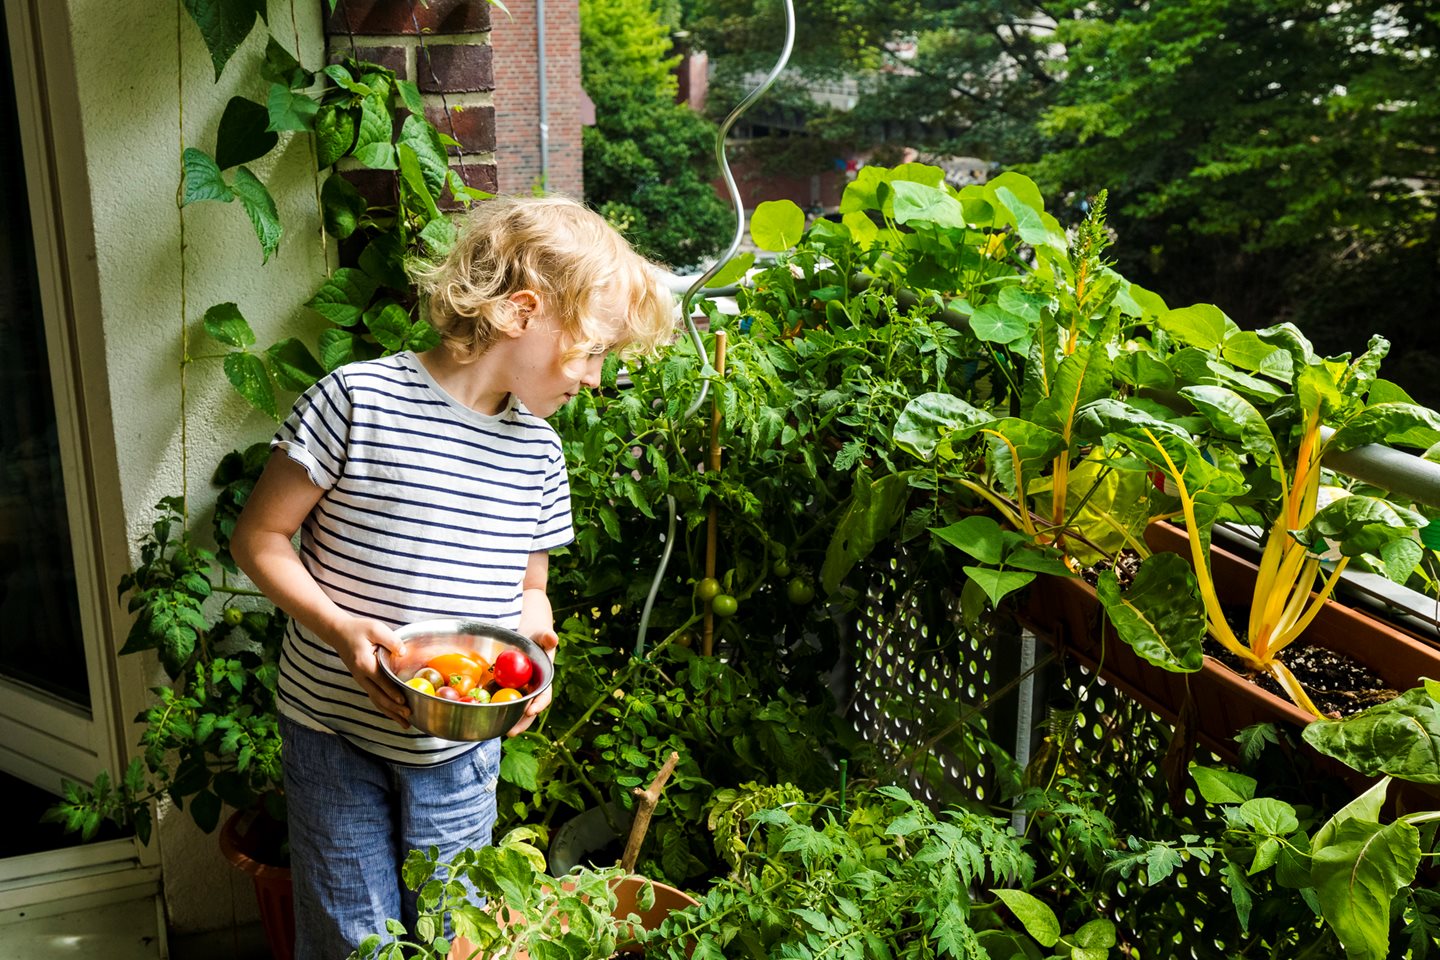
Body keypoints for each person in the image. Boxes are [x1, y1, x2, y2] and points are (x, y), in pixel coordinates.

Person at [231, 195, 675, 960]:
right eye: (594, 351)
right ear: (521, 314)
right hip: (334, 729)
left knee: (453, 930)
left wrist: (537, 637)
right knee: (351, 939)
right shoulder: (358, 402)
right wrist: (339, 628)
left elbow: (530, 586)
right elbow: (260, 539)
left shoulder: (539, 455)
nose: (598, 380)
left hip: (461, 750)